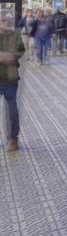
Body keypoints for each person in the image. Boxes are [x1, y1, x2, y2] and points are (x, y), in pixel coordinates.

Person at [0, 9, 25, 152]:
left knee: (12, 112)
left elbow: (21, 50)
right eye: (4, 20)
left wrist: (13, 57)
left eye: (9, 21)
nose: (7, 23)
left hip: (10, 78)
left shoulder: (15, 34)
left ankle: (13, 139)